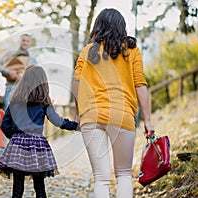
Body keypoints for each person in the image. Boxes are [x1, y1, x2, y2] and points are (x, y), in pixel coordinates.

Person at [72, 8, 155, 198]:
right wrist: (148, 120)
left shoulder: (87, 51)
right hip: (122, 114)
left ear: (98, 27)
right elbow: (140, 84)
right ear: (121, 26)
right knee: (124, 174)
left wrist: (79, 113)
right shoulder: (131, 49)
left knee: (101, 178)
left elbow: (76, 83)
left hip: (91, 116)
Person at [0, 66, 79, 198]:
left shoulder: (15, 102)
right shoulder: (44, 103)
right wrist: (76, 126)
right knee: (39, 186)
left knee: (17, 187)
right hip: (37, 147)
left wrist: (15, 138)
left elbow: (5, 124)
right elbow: (57, 121)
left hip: (17, 145)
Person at [0, 33, 37, 111]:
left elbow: (36, 75)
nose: (25, 43)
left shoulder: (32, 59)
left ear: (30, 43)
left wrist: (25, 75)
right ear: (19, 42)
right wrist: (8, 72)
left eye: (27, 41)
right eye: (23, 40)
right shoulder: (10, 54)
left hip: (26, 91)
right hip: (11, 88)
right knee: (8, 112)